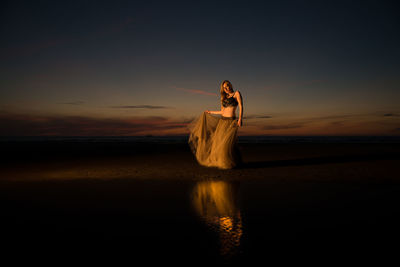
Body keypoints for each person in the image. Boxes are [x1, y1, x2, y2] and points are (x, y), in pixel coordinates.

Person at [187, 80, 243, 169]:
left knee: (228, 143)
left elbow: (240, 106)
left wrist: (240, 119)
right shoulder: (223, 98)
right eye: (224, 88)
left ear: (230, 85)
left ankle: (232, 162)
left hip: (231, 121)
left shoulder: (236, 94)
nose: (226, 88)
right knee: (221, 143)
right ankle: (228, 162)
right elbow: (222, 111)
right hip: (222, 121)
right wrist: (210, 112)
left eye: (227, 86)